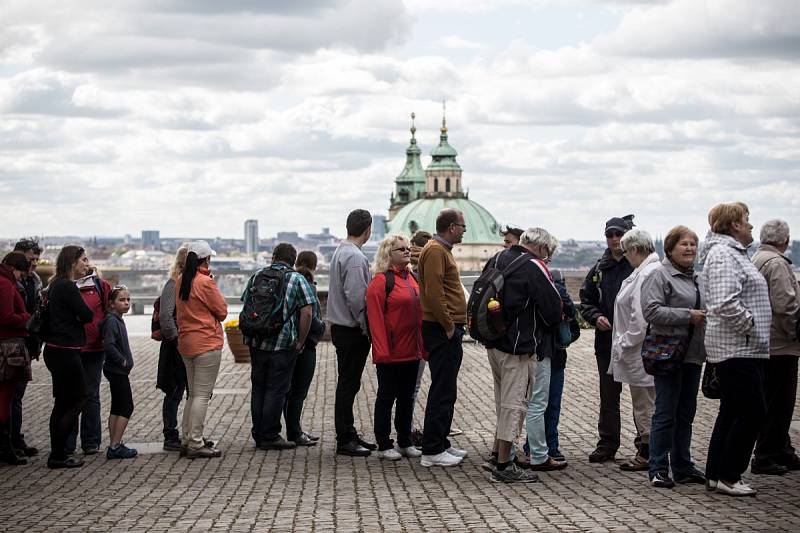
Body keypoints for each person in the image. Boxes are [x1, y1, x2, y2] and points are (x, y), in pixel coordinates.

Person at [701, 202, 770, 496]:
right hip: (736, 347)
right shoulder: (723, 255)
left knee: (731, 411)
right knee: (754, 412)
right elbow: (724, 302)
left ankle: (716, 474)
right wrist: (752, 326)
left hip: (742, 347)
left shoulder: (731, 253)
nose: (752, 225)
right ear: (734, 225)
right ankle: (730, 474)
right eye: (747, 220)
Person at [482, 228, 562, 482]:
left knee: (501, 401)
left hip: (493, 341)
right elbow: (553, 309)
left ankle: (497, 453)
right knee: (515, 403)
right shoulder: (534, 266)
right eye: (547, 252)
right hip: (518, 346)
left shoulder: (497, 257)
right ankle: (504, 465)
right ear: (540, 248)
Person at [641, 225, 707, 488]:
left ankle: (682, 465)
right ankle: (658, 467)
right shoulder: (660, 276)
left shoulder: (696, 278)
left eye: (693, 244)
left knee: (686, 412)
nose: (690, 248)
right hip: (668, 353)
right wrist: (687, 315)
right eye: (684, 244)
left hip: (692, 354)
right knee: (665, 412)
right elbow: (652, 311)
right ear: (670, 248)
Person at [244, 243, 315, 450]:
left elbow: (246, 303)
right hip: (283, 344)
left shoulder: (257, 276)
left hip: (257, 341)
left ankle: (258, 432)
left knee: (258, 388)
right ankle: (270, 435)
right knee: (276, 389)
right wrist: (300, 341)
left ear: (273, 257)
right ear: (293, 260)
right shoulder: (297, 279)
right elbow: (308, 312)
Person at [579, 215, 635, 463]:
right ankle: (608, 443)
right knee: (609, 397)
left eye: (619, 235)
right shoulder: (599, 269)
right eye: (610, 235)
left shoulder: (637, 265)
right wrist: (596, 317)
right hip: (607, 343)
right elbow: (586, 300)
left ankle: (646, 443)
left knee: (642, 396)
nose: (614, 239)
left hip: (635, 342)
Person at [366, 234, 425, 461]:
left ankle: (405, 440)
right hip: (390, 353)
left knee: (407, 398)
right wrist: (382, 352)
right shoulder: (380, 282)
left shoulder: (411, 278)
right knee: (386, 398)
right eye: (401, 249)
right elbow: (376, 321)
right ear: (388, 254)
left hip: (411, 350)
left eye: (407, 249)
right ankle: (383, 444)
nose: (407, 252)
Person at [417, 208, 468, 467]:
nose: (464, 230)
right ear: (450, 227)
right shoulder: (436, 251)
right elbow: (434, 292)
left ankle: (442, 443)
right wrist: (448, 325)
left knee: (447, 388)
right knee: (442, 389)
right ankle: (432, 450)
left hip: (444, 327)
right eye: (462, 226)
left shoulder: (440, 250)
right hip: (441, 329)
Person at [608, 229, 660, 472]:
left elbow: (639, 319)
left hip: (639, 351)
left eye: (627, 252)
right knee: (647, 403)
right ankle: (650, 449)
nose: (625, 257)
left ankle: (648, 452)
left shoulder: (646, 273)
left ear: (635, 250)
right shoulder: (645, 271)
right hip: (640, 350)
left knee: (645, 405)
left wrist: (624, 343)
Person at [751, 219, 800, 474]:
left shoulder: (757, 259)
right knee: (780, 402)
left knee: (772, 400)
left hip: (764, 341)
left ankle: (782, 448)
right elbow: (786, 306)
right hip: (781, 343)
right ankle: (767, 454)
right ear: (786, 240)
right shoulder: (777, 263)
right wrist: (795, 333)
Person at [41, 245, 94, 468]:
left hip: (55, 349)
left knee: (62, 402)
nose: (86, 263)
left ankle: (58, 452)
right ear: (73, 262)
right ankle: (58, 454)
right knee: (78, 398)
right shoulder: (67, 286)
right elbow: (87, 315)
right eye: (83, 259)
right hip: (65, 350)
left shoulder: (55, 284)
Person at [328, 209, 375, 456]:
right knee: (348, 384)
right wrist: (367, 327)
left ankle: (348, 432)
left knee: (347, 383)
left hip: (340, 327)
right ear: (368, 230)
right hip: (352, 330)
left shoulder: (340, 250)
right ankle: (345, 437)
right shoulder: (355, 257)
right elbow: (357, 297)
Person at [176, 240, 227, 459]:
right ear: (206, 259)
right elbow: (222, 311)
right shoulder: (204, 282)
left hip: (187, 343)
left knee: (193, 395)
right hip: (206, 342)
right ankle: (196, 442)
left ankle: (187, 438)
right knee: (202, 396)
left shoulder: (180, 281)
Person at [66, 261, 111, 456]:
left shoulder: (100, 286)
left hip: (94, 348)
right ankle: (67, 443)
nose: (85, 264)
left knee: (91, 394)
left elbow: (110, 312)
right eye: (81, 260)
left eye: (86, 260)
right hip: (69, 348)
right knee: (70, 396)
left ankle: (91, 441)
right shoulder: (62, 285)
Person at [283, 250, 324, 447]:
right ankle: (295, 431)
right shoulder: (308, 286)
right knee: (299, 391)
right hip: (305, 345)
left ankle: (292, 428)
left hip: (288, 343)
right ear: (314, 266)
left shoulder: (289, 281)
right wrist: (322, 328)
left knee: (288, 390)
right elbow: (310, 316)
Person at [545, 236, 579, 463]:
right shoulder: (546, 280)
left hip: (552, 351)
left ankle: (548, 444)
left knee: (549, 401)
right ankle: (543, 445)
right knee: (543, 403)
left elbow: (570, 314)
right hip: (546, 351)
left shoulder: (552, 279)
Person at [10, 239, 43, 457]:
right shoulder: (11, 281)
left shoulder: (35, 280)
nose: (34, 264)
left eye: (36, 260)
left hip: (27, 344)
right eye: (30, 259)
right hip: (13, 343)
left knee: (17, 396)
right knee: (11, 396)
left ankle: (15, 439)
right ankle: (11, 441)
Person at [0, 252, 33, 465]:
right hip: (8, 347)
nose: (22, 278)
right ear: (14, 268)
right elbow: (6, 317)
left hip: (7, 345)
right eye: (22, 273)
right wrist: (28, 317)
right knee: (5, 399)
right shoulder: (5, 284)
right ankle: (4, 448)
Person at [157, 244, 189, 452]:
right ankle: (171, 435)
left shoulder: (187, 283)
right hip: (176, 346)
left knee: (187, 391)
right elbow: (166, 317)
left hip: (186, 344)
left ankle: (188, 433)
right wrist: (178, 341)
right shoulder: (173, 284)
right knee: (174, 391)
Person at [101, 286, 137, 460]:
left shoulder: (117, 319)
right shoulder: (112, 320)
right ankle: (115, 445)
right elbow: (108, 345)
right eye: (122, 300)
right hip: (116, 370)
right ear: (111, 303)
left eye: (128, 299)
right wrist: (122, 361)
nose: (126, 303)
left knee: (117, 406)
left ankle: (114, 443)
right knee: (126, 406)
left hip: (118, 370)